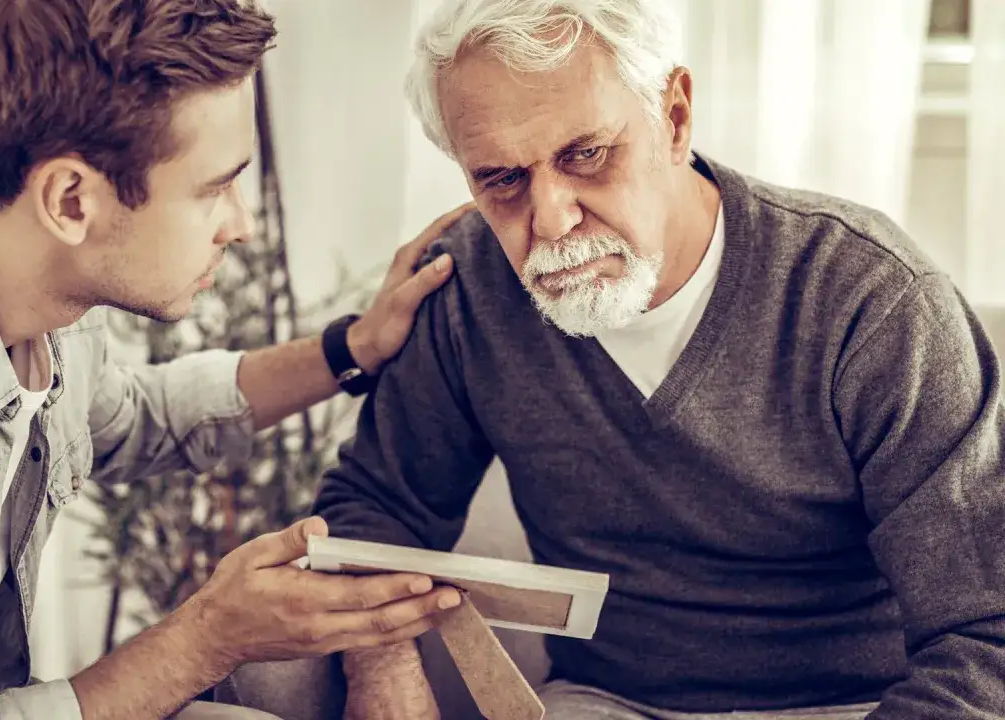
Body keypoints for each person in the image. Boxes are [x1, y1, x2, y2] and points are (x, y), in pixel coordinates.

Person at [225, 0, 1005, 719]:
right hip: (610, 701)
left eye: (587, 154)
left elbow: (986, 631)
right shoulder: (465, 286)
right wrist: (383, 668)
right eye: (501, 178)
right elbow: (378, 504)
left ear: (673, 117)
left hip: (857, 705)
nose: (551, 218)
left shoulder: (870, 297)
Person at [0, 1, 471, 719]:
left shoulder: (20, 268)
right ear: (72, 200)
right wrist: (210, 635)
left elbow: (128, 416)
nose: (240, 225)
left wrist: (352, 347)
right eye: (214, 188)